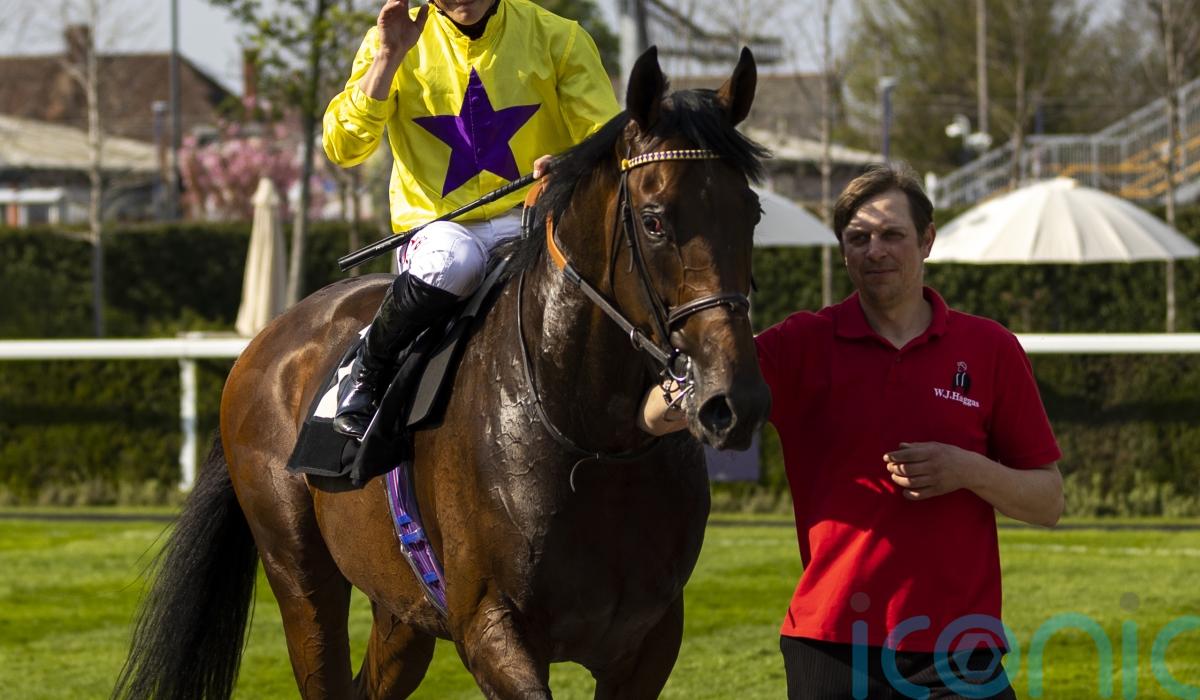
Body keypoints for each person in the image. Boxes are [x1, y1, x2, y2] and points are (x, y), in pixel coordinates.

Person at [640, 164, 1064, 698]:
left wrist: (966, 469)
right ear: (843, 251)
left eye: (892, 235)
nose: (875, 251)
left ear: (927, 240)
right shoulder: (801, 343)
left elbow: (1048, 502)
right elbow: (653, 416)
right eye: (858, 238)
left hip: (958, 646)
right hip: (831, 644)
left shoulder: (990, 349)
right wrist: (693, 378)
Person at [323, 0, 619, 438]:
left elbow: (607, 140)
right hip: (438, 233)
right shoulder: (387, 43)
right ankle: (368, 365)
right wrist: (387, 58)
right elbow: (343, 148)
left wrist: (573, 161)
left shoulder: (560, 37)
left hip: (533, 222)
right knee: (456, 260)